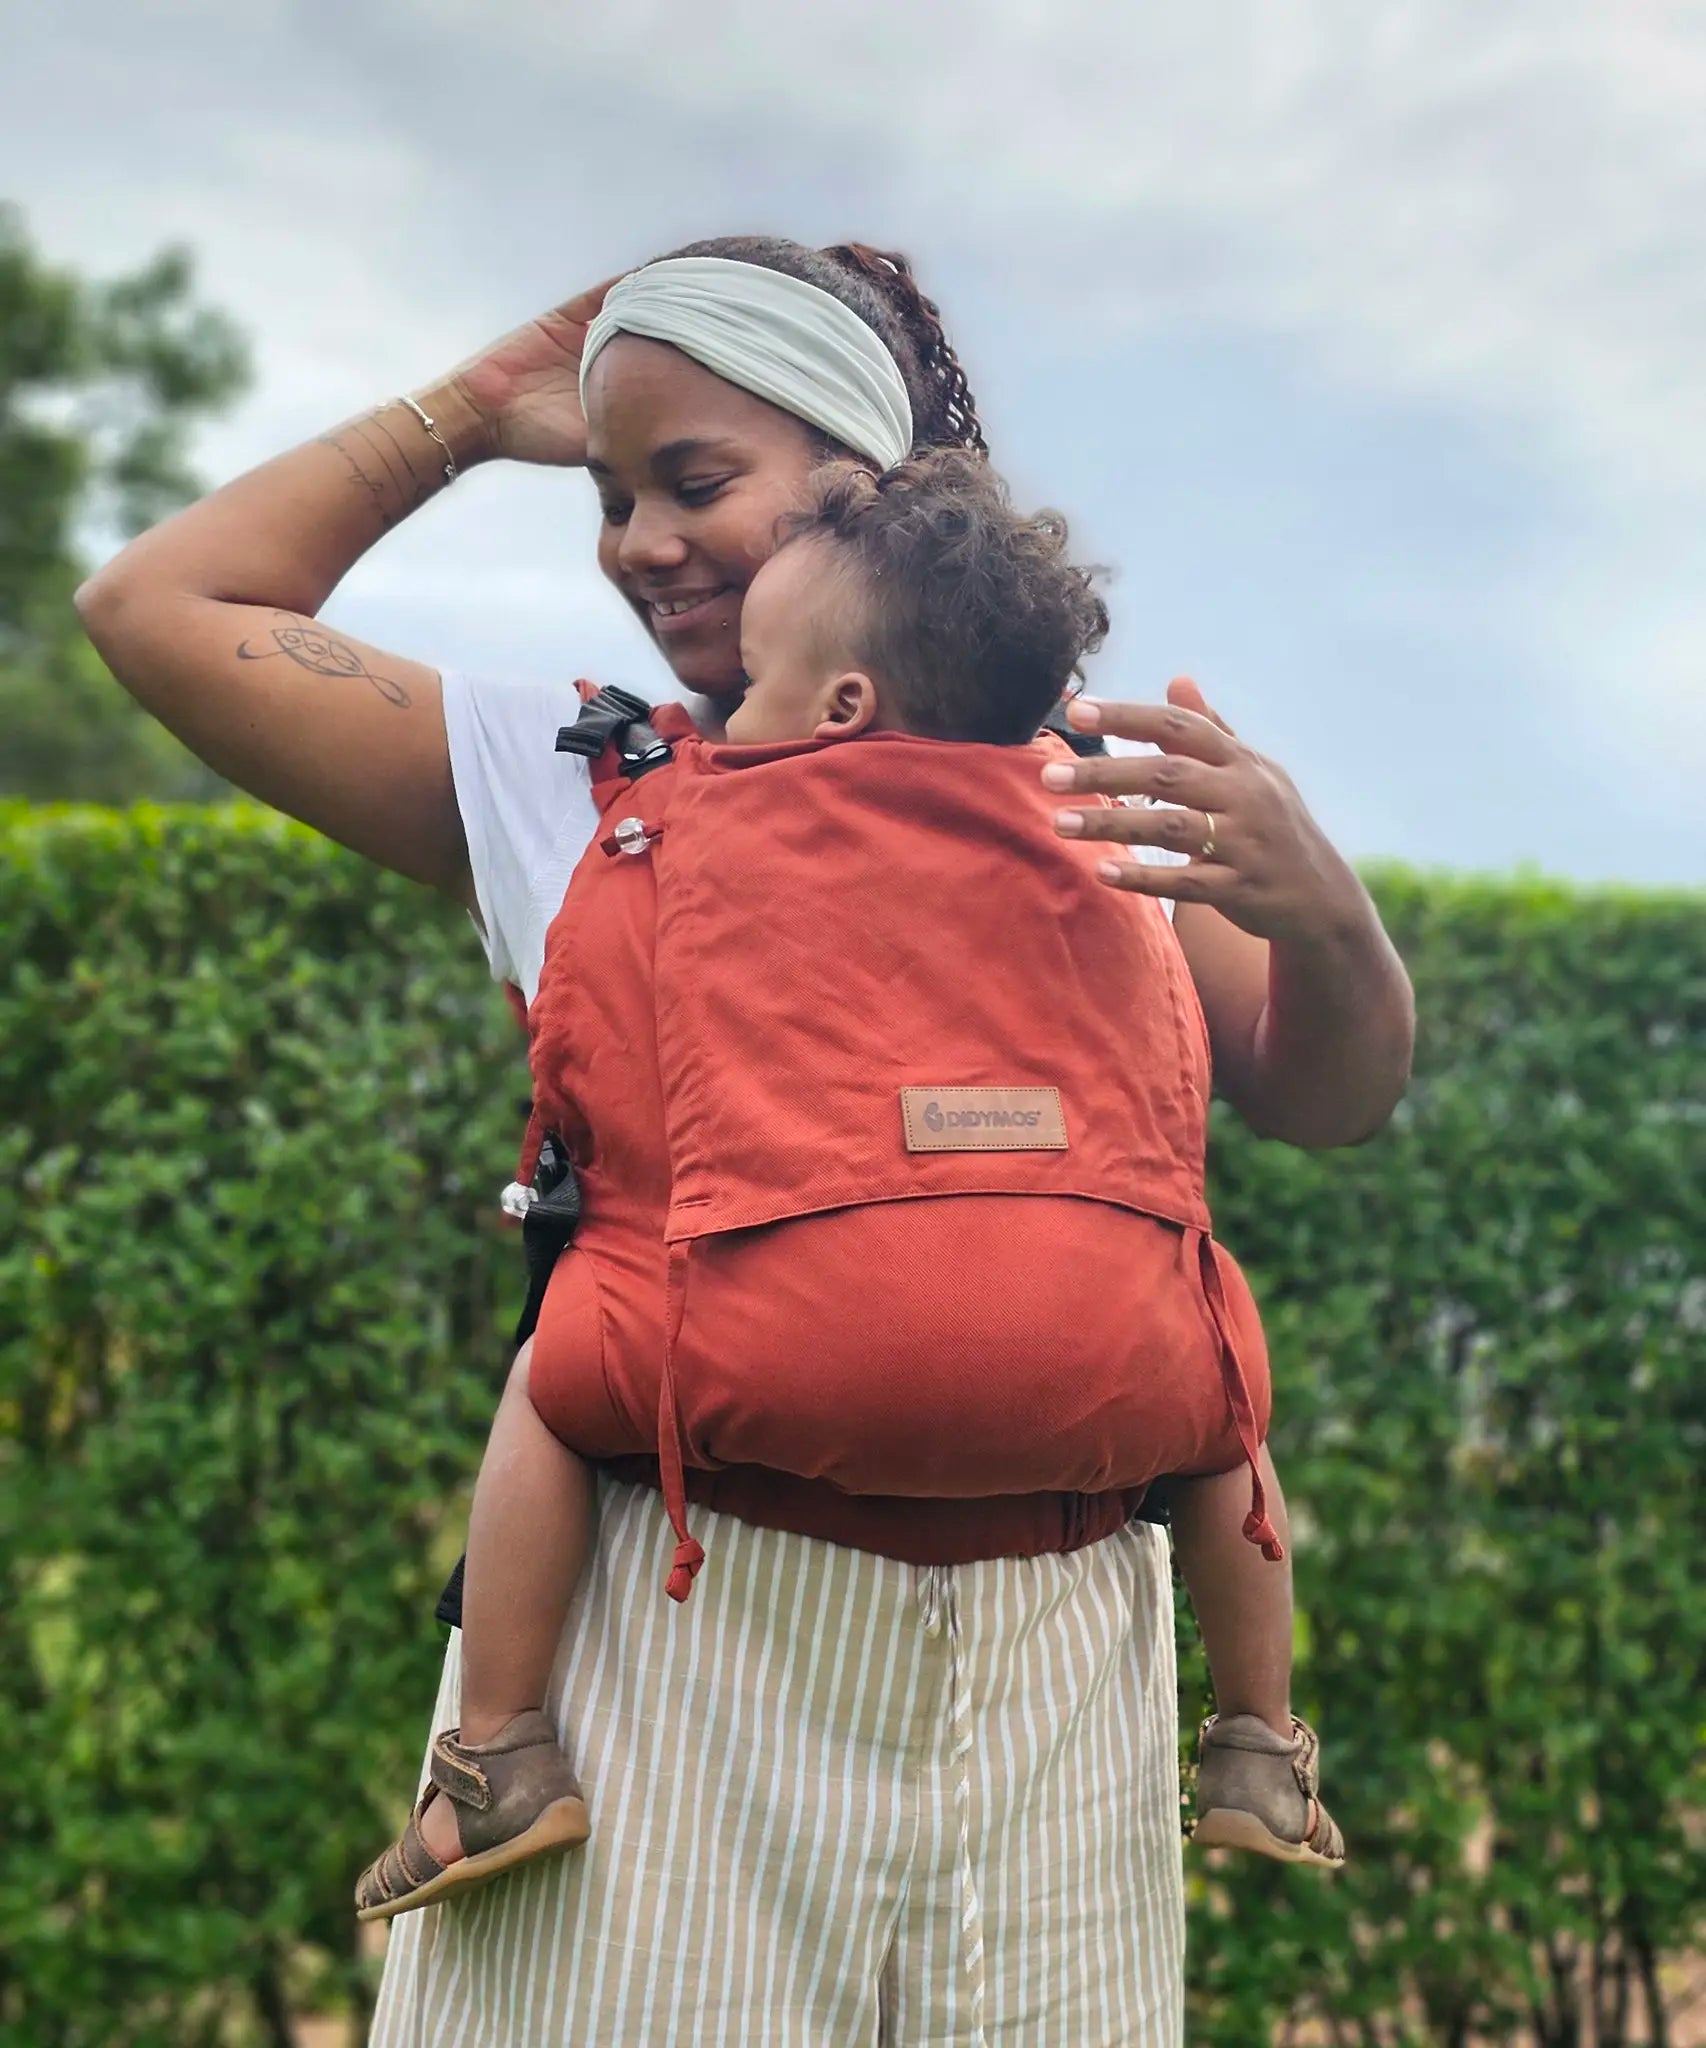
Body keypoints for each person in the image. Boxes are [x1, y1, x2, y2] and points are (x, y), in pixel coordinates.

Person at [77, 236, 1413, 2046]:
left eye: (693, 481)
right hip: (675, 1636)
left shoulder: (1083, 784)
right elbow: (156, 610)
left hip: (1057, 1673)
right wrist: (466, 415)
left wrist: (1324, 913)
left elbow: (1320, 1094)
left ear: (863, 485)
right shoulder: (572, 774)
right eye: (609, 499)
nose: (634, 541)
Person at [350, 440, 1344, 1925]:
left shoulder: (679, 820)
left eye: (752, 686)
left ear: (840, 709)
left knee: (553, 1375)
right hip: (1103, 1373)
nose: (726, 712)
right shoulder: (1106, 841)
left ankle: (494, 1758)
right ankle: (1260, 1747)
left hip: (767, 1360)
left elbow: (603, 1108)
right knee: (1218, 1406)